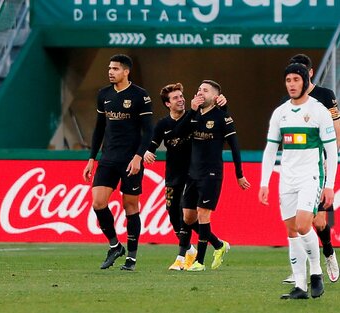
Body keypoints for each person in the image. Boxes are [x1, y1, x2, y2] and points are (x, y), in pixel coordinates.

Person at [259, 63, 337, 299]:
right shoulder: (280, 112)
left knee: (305, 225)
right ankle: (300, 287)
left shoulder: (319, 110)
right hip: (287, 178)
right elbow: (271, 149)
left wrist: (330, 184)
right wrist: (264, 182)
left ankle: (316, 273)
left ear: (305, 81)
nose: (291, 84)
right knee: (292, 232)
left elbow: (332, 151)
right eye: (288, 80)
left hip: (311, 177)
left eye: (296, 79)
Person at [144, 82, 227, 270]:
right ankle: (216, 244)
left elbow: (220, 119)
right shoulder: (163, 124)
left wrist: (223, 104)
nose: (181, 100)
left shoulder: (196, 117)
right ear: (167, 104)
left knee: (186, 217)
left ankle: (182, 257)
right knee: (174, 216)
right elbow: (153, 144)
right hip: (173, 176)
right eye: (175, 98)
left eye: (181, 96)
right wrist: (147, 153)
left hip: (193, 175)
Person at [83, 54, 153, 271]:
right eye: (109, 68)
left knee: (130, 206)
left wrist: (138, 157)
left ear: (126, 71)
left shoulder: (140, 96)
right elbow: (99, 129)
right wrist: (92, 158)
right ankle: (115, 245)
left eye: (115, 68)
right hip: (108, 158)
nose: (110, 72)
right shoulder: (103, 94)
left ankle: (131, 258)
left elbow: (148, 130)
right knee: (98, 202)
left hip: (130, 159)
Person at [177, 80, 251, 272]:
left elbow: (235, 147)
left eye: (205, 90)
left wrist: (239, 175)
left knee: (203, 214)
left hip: (211, 174)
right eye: (199, 89)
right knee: (188, 216)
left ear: (215, 96)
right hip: (192, 174)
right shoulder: (193, 115)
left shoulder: (222, 118)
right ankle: (218, 245)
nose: (200, 92)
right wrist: (191, 111)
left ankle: (199, 262)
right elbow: (178, 134)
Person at [281, 54, 339, 284]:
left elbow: (336, 126)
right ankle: (302, 272)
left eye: (300, 75)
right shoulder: (289, 100)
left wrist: (329, 154)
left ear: (310, 73)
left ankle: (329, 254)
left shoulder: (325, 96)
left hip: (319, 164)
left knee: (320, 222)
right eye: (291, 77)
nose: (295, 82)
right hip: (297, 170)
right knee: (297, 223)